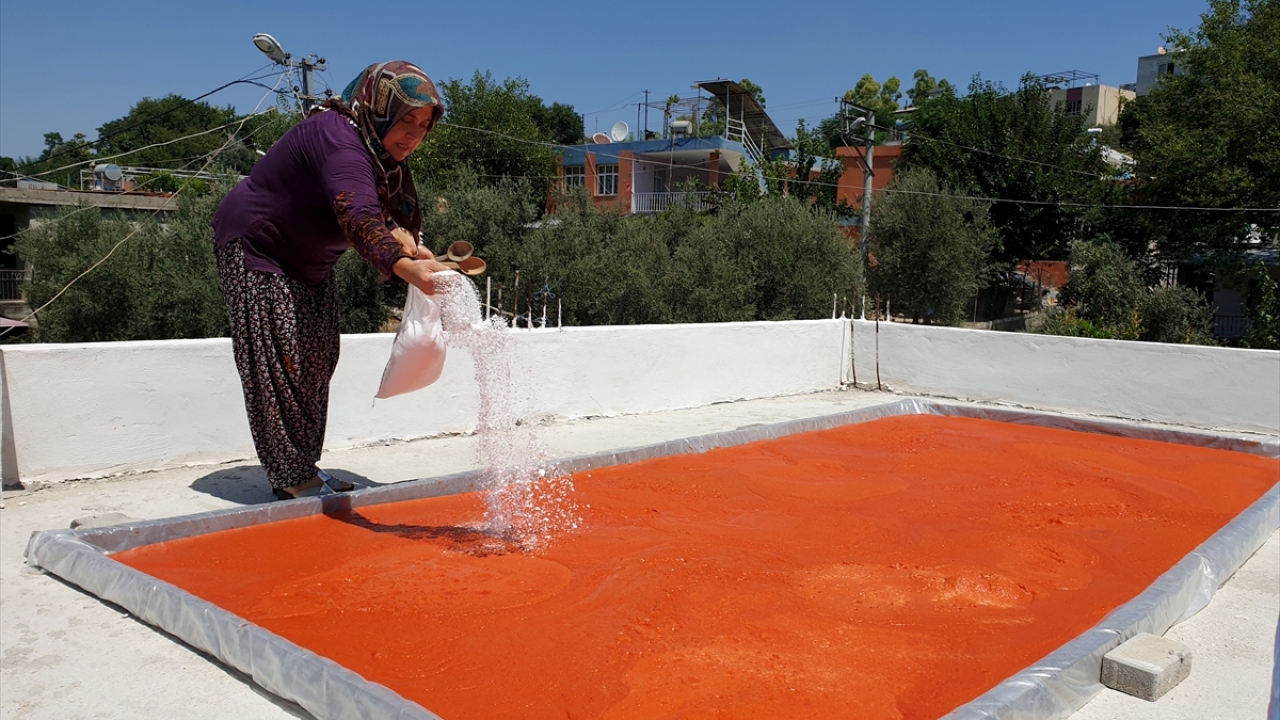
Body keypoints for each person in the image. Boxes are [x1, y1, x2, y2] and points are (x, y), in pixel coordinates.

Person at [212, 61, 449, 499]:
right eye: (406, 121)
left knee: (318, 356)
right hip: (260, 248)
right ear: (379, 108)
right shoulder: (338, 137)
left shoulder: (382, 157)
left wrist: (415, 250)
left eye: (423, 126)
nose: (414, 135)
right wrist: (404, 265)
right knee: (283, 359)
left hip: (310, 261)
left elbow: (392, 219)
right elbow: (356, 212)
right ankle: (290, 477)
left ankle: (303, 466)